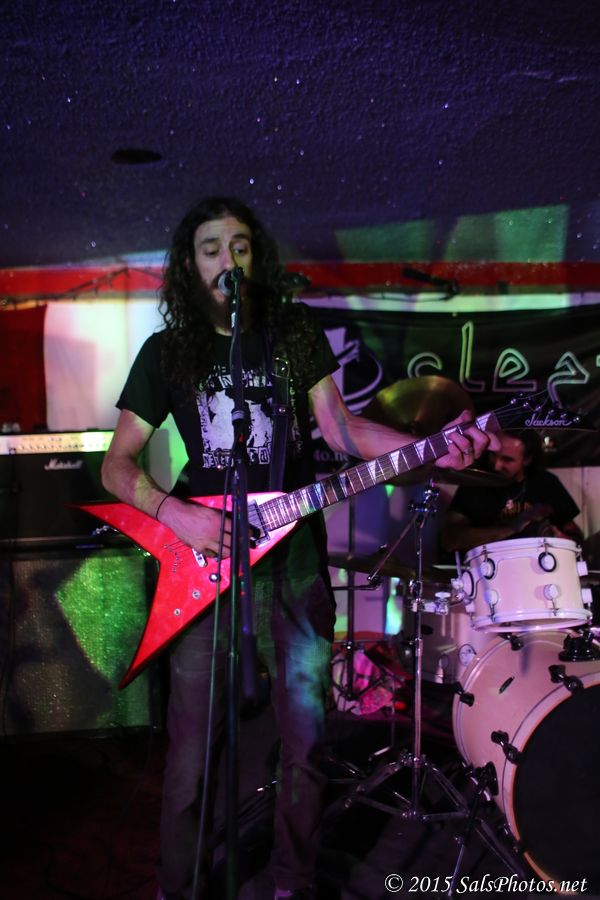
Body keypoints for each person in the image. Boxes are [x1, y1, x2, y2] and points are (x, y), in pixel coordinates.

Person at [100, 196, 494, 900]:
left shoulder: (292, 332)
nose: (228, 260)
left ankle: (293, 885)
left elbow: (341, 431)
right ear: (189, 265)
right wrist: (176, 514)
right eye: (211, 249)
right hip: (204, 565)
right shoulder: (166, 352)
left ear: (257, 258)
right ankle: (177, 887)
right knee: (191, 753)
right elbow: (116, 465)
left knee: (305, 743)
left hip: (296, 566)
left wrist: (430, 447)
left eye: (240, 246)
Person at [441, 429, 583, 554]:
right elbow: (450, 540)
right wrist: (511, 528)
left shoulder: (546, 483)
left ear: (527, 459)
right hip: (487, 570)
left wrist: (563, 540)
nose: (496, 465)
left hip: (538, 568)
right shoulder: (475, 482)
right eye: (493, 455)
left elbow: (575, 535)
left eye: (507, 459)